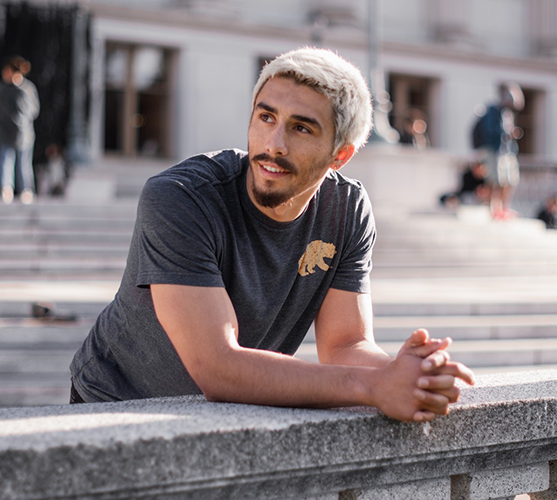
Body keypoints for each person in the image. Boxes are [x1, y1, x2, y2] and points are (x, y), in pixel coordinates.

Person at [70, 47, 475, 422]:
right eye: (266, 117)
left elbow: (345, 345)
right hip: (114, 407)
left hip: (227, 414)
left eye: (301, 128)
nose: (273, 144)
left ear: (340, 154)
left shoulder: (346, 209)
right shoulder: (181, 198)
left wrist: (407, 373)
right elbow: (218, 366)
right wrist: (371, 386)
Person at [471, 82, 524, 220]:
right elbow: (489, 131)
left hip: (507, 151)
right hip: (495, 151)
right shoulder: (492, 111)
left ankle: (504, 209)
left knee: (510, 180)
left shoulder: (507, 113)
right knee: (496, 181)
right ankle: (494, 209)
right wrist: (506, 134)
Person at [0, 56, 40, 205]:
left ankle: (23, 190)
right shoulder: (8, 88)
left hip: (21, 133)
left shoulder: (24, 88)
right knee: (10, 161)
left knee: (19, 162)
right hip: (12, 132)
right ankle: (9, 189)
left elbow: (33, 110)